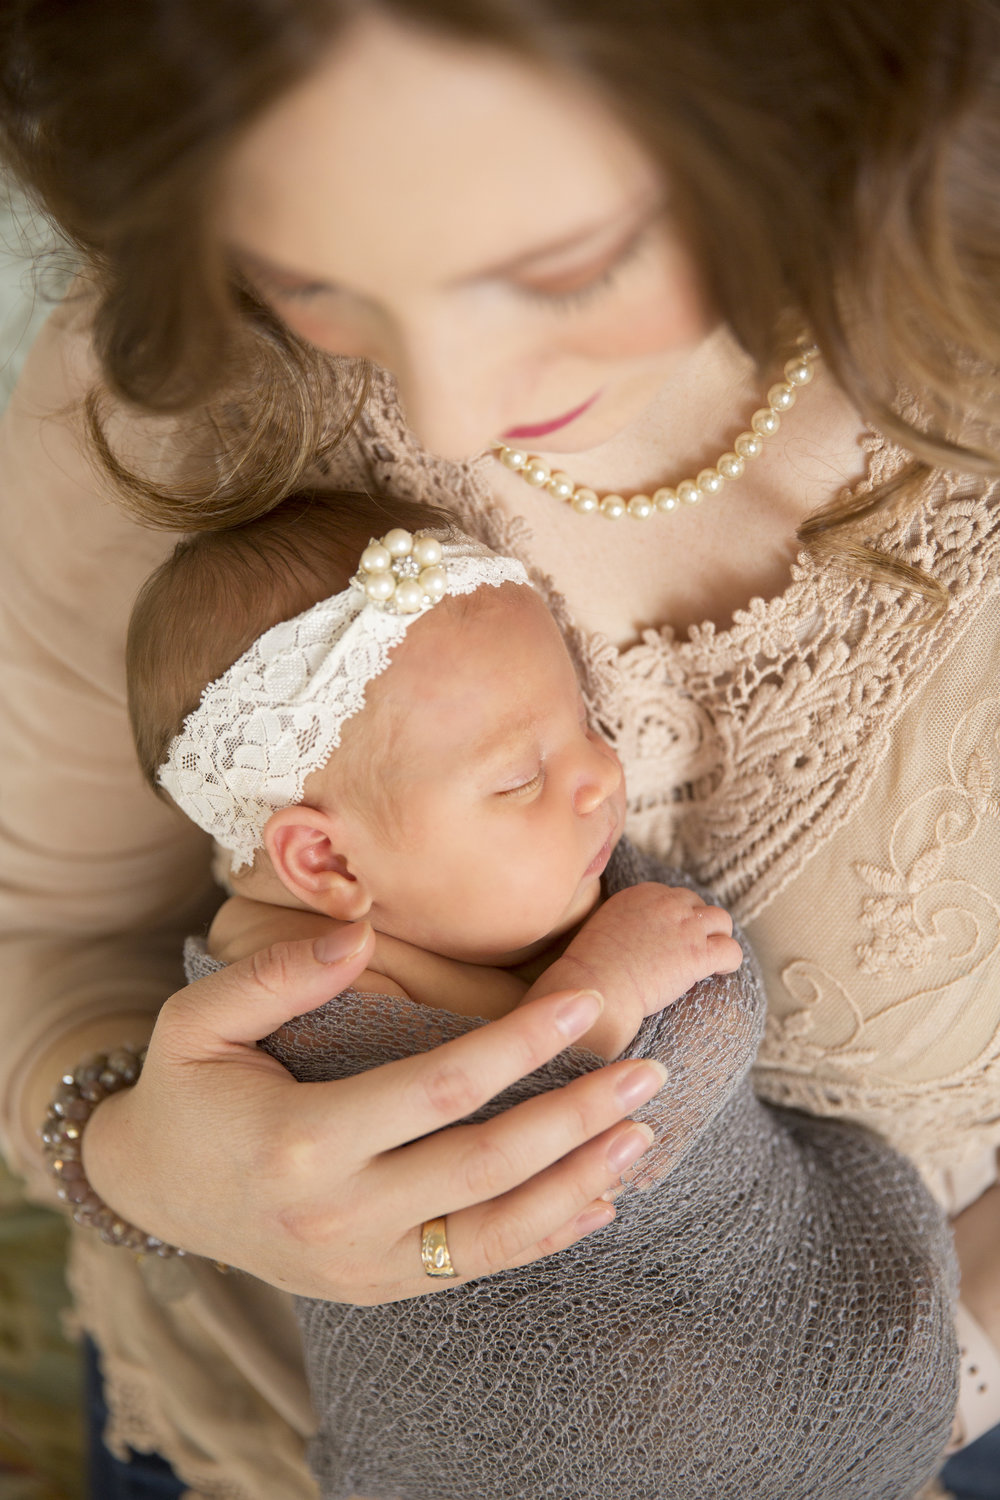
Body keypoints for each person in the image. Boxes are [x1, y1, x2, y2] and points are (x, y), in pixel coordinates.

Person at [0, 0, 998, 1495]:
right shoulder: (170, 388)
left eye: (563, 267)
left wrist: (921, 1384)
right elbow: (44, 924)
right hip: (277, 1443)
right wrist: (140, 1162)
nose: (456, 416)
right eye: (312, 277)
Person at [131, 489, 955, 1499]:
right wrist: (595, 996)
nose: (601, 774)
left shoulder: (445, 902)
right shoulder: (302, 1010)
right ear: (324, 859)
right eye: (522, 774)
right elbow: (488, 1154)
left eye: (586, 724)